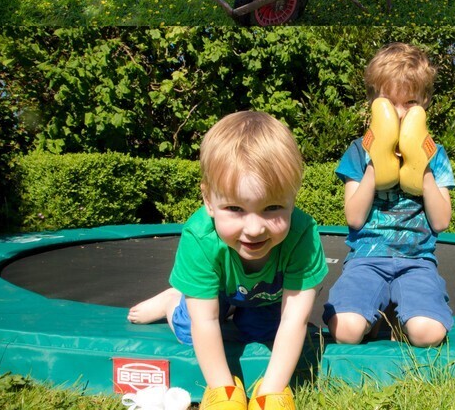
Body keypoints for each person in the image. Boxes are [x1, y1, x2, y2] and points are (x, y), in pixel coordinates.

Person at [127, 111, 328, 410]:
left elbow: (294, 319)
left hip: (264, 296)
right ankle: (173, 300)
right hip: (219, 288)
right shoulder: (200, 238)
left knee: (265, 334)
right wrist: (223, 391)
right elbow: (204, 321)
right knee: (188, 328)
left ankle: (235, 310)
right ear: (209, 201)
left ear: (293, 197)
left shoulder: (303, 236)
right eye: (235, 208)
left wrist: (270, 392)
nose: (254, 229)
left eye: (273, 208)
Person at [323, 43, 455, 348]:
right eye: (390, 103)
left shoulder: (433, 153)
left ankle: (403, 314)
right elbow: (354, 217)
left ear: (424, 102)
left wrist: (423, 170)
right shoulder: (359, 151)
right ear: (374, 102)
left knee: (428, 334)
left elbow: (441, 221)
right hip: (366, 260)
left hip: (417, 260)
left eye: (410, 102)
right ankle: (373, 313)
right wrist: (376, 165)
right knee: (346, 332)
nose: (399, 112)